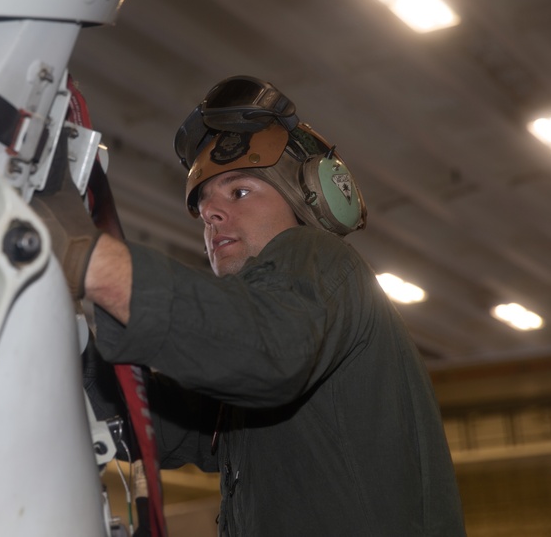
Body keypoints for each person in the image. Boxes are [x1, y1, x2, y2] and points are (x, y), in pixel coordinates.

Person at [34, 75, 466, 536]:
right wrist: (69, 351)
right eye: (205, 209)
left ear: (307, 197)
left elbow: (260, 347)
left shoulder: (319, 259)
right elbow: (156, 422)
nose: (213, 214)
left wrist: (90, 260)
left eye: (240, 192)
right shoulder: (258, 367)